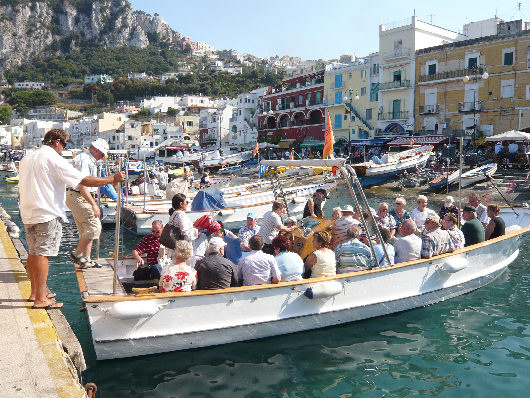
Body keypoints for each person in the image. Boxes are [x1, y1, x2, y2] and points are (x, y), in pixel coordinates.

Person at [19, 129, 125, 309]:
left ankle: (35, 293)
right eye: (65, 145)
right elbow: (83, 180)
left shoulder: (27, 158)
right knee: (43, 254)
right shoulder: (53, 158)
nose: (63, 149)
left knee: (33, 253)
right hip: (47, 212)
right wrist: (112, 178)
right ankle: (40, 299)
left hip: (28, 212)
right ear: (58, 142)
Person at [66, 138, 110, 267]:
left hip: (77, 195)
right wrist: (93, 204)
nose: (102, 157)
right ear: (95, 150)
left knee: (86, 230)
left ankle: (86, 259)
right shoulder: (84, 160)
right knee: (94, 227)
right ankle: (77, 254)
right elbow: (83, 184)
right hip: (78, 195)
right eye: (102, 154)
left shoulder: (88, 159)